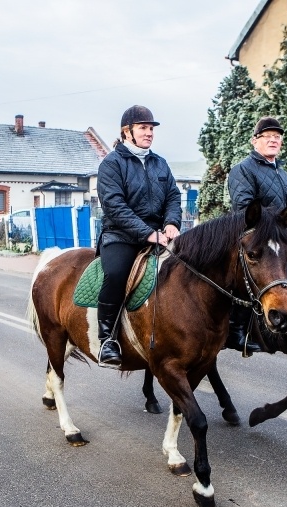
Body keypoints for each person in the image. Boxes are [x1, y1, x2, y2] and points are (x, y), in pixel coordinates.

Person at [95, 105, 182, 368]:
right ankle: (107, 339)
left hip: (160, 235)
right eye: (144, 128)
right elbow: (115, 206)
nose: (149, 133)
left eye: (151, 128)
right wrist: (147, 233)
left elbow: (173, 197)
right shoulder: (111, 164)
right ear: (127, 131)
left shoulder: (160, 163)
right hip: (121, 236)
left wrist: (171, 222)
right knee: (116, 273)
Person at [226, 116, 287, 354]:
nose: (273, 140)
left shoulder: (282, 174)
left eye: (277, 137)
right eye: (268, 136)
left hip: (279, 240)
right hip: (256, 238)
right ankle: (237, 331)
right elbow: (244, 209)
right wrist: (272, 227)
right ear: (255, 141)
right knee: (250, 277)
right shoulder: (242, 170)